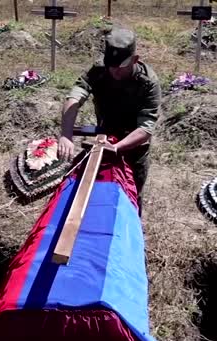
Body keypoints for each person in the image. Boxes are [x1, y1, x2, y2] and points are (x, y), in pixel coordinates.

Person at [57, 27, 162, 215]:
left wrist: (117, 147)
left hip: (134, 146)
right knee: (96, 188)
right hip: (103, 138)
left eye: (120, 67)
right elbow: (75, 96)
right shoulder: (100, 70)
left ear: (134, 60)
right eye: (110, 65)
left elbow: (146, 128)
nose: (114, 72)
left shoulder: (148, 82)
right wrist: (66, 134)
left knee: (131, 194)